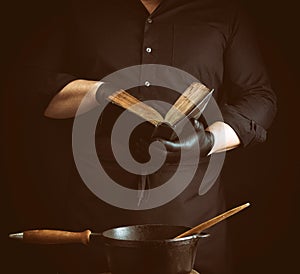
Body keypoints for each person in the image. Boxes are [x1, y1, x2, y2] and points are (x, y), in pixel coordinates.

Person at [8, 0, 277, 273]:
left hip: (193, 228)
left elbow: (260, 99)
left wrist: (207, 141)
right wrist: (101, 95)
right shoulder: (77, 8)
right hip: (94, 228)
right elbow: (29, 89)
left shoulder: (224, 11)